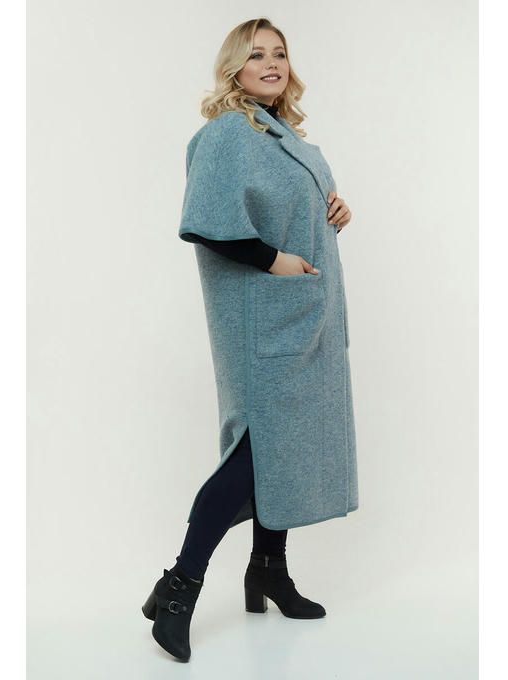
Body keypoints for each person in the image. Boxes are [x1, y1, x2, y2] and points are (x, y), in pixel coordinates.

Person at [142, 18, 356, 662]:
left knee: (285, 449)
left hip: (305, 314)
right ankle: (178, 589)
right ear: (234, 67)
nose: (271, 63)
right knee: (257, 451)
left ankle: (268, 570)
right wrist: (274, 261)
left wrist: (335, 209)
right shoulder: (227, 133)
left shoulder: (288, 137)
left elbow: (301, 213)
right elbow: (207, 223)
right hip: (260, 316)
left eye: (279, 53)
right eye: (256, 54)